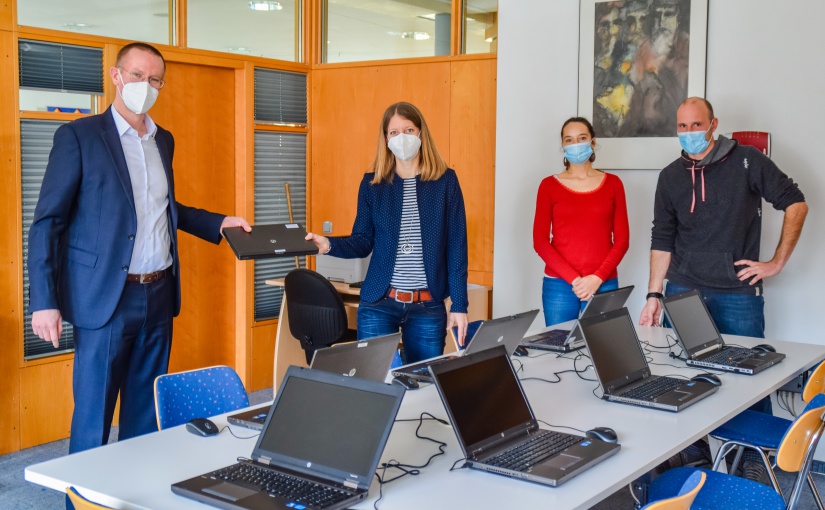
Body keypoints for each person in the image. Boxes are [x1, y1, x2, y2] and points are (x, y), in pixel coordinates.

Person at [27, 42, 250, 458]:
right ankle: (82, 503)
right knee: (94, 417)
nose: (144, 85)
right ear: (116, 76)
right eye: (136, 75)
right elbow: (47, 223)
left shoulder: (162, 140)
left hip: (159, 295)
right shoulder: (79, 136)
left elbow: (163, 208)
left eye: (154, 80)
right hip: (104, 300)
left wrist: (217, 222)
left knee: (145, 418)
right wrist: (44, 301)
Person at [639, 97, 807, 421]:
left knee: (750, 383)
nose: (689, 132)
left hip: (737, 294)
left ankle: (752, 461)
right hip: (683, 292)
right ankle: (694, 456)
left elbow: (796, 203)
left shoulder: (747, 161)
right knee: (683, 380)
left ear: (713, 125)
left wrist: (776, 263)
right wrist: (653, 294)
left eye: (696, 125)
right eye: (682, 126)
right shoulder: (670, 176)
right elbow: (662, 239)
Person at [306, 102, 469, 363]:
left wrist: (460, 305)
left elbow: (457, 248)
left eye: (408, 129)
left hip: (427, 305)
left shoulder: (445, 181)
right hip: (379, 304)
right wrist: (328, 245)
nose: (401, 137)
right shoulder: (373, 184)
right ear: (386, 139)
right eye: (394, 132)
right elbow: (362, 241)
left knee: (423, 382)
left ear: (421, 134)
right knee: (375, 383)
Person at [533, 117, 629, 327]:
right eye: (569, 140)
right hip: (559, 285)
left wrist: (597, 278)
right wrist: (575, 280)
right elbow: (540, 241)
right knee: (560, 349)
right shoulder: (548, 186)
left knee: (604, 350)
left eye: (582, 138)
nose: (576, 144)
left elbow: (622, 240)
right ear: (563, 146)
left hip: (603, 283)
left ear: (593, 142)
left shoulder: (613, 184)